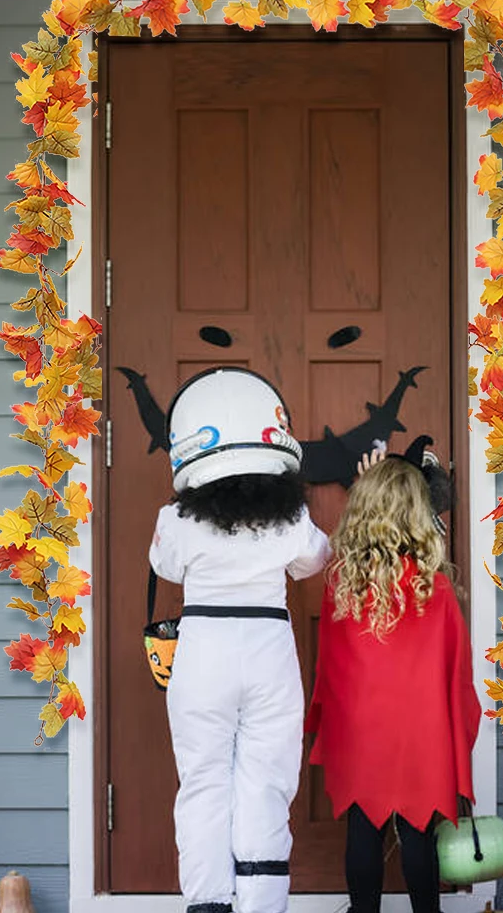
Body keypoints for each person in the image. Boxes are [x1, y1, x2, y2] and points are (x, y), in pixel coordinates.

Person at [149, 367, 332, 913]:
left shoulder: (176, 518)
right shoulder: (291, 516)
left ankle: (208, 903)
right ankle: (262, 902)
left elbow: (166, 565)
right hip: (269, 648)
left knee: (202, 780)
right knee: (267, 780)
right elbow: (315, 561)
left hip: (204, 646)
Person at [305, 443, 481, 913]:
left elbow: (330, 668)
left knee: (362, 829)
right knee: (420, 834)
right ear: (417, 515)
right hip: (420, 735)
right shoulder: (435, 587)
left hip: (361, 731)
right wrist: (457, 732)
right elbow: (456, 673)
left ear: (363, 510)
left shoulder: (342, 584)